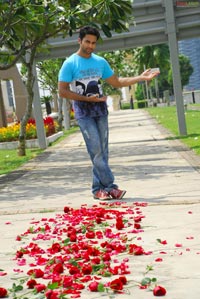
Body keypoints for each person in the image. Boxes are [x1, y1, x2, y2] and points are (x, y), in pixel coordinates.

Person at [58, 26, 159, 201]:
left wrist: (141, 78)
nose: (90, 46)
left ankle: (99, 189)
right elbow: (62, 91)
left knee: (102, 152)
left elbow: (117, 82)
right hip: (83, 112)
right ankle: (111, 186)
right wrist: (87, 99)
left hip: (101, 111)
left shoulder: (100, 62)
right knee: (96, 150)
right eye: (87, 42)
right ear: (79, 41)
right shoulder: (69, 63)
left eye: (93, 43)